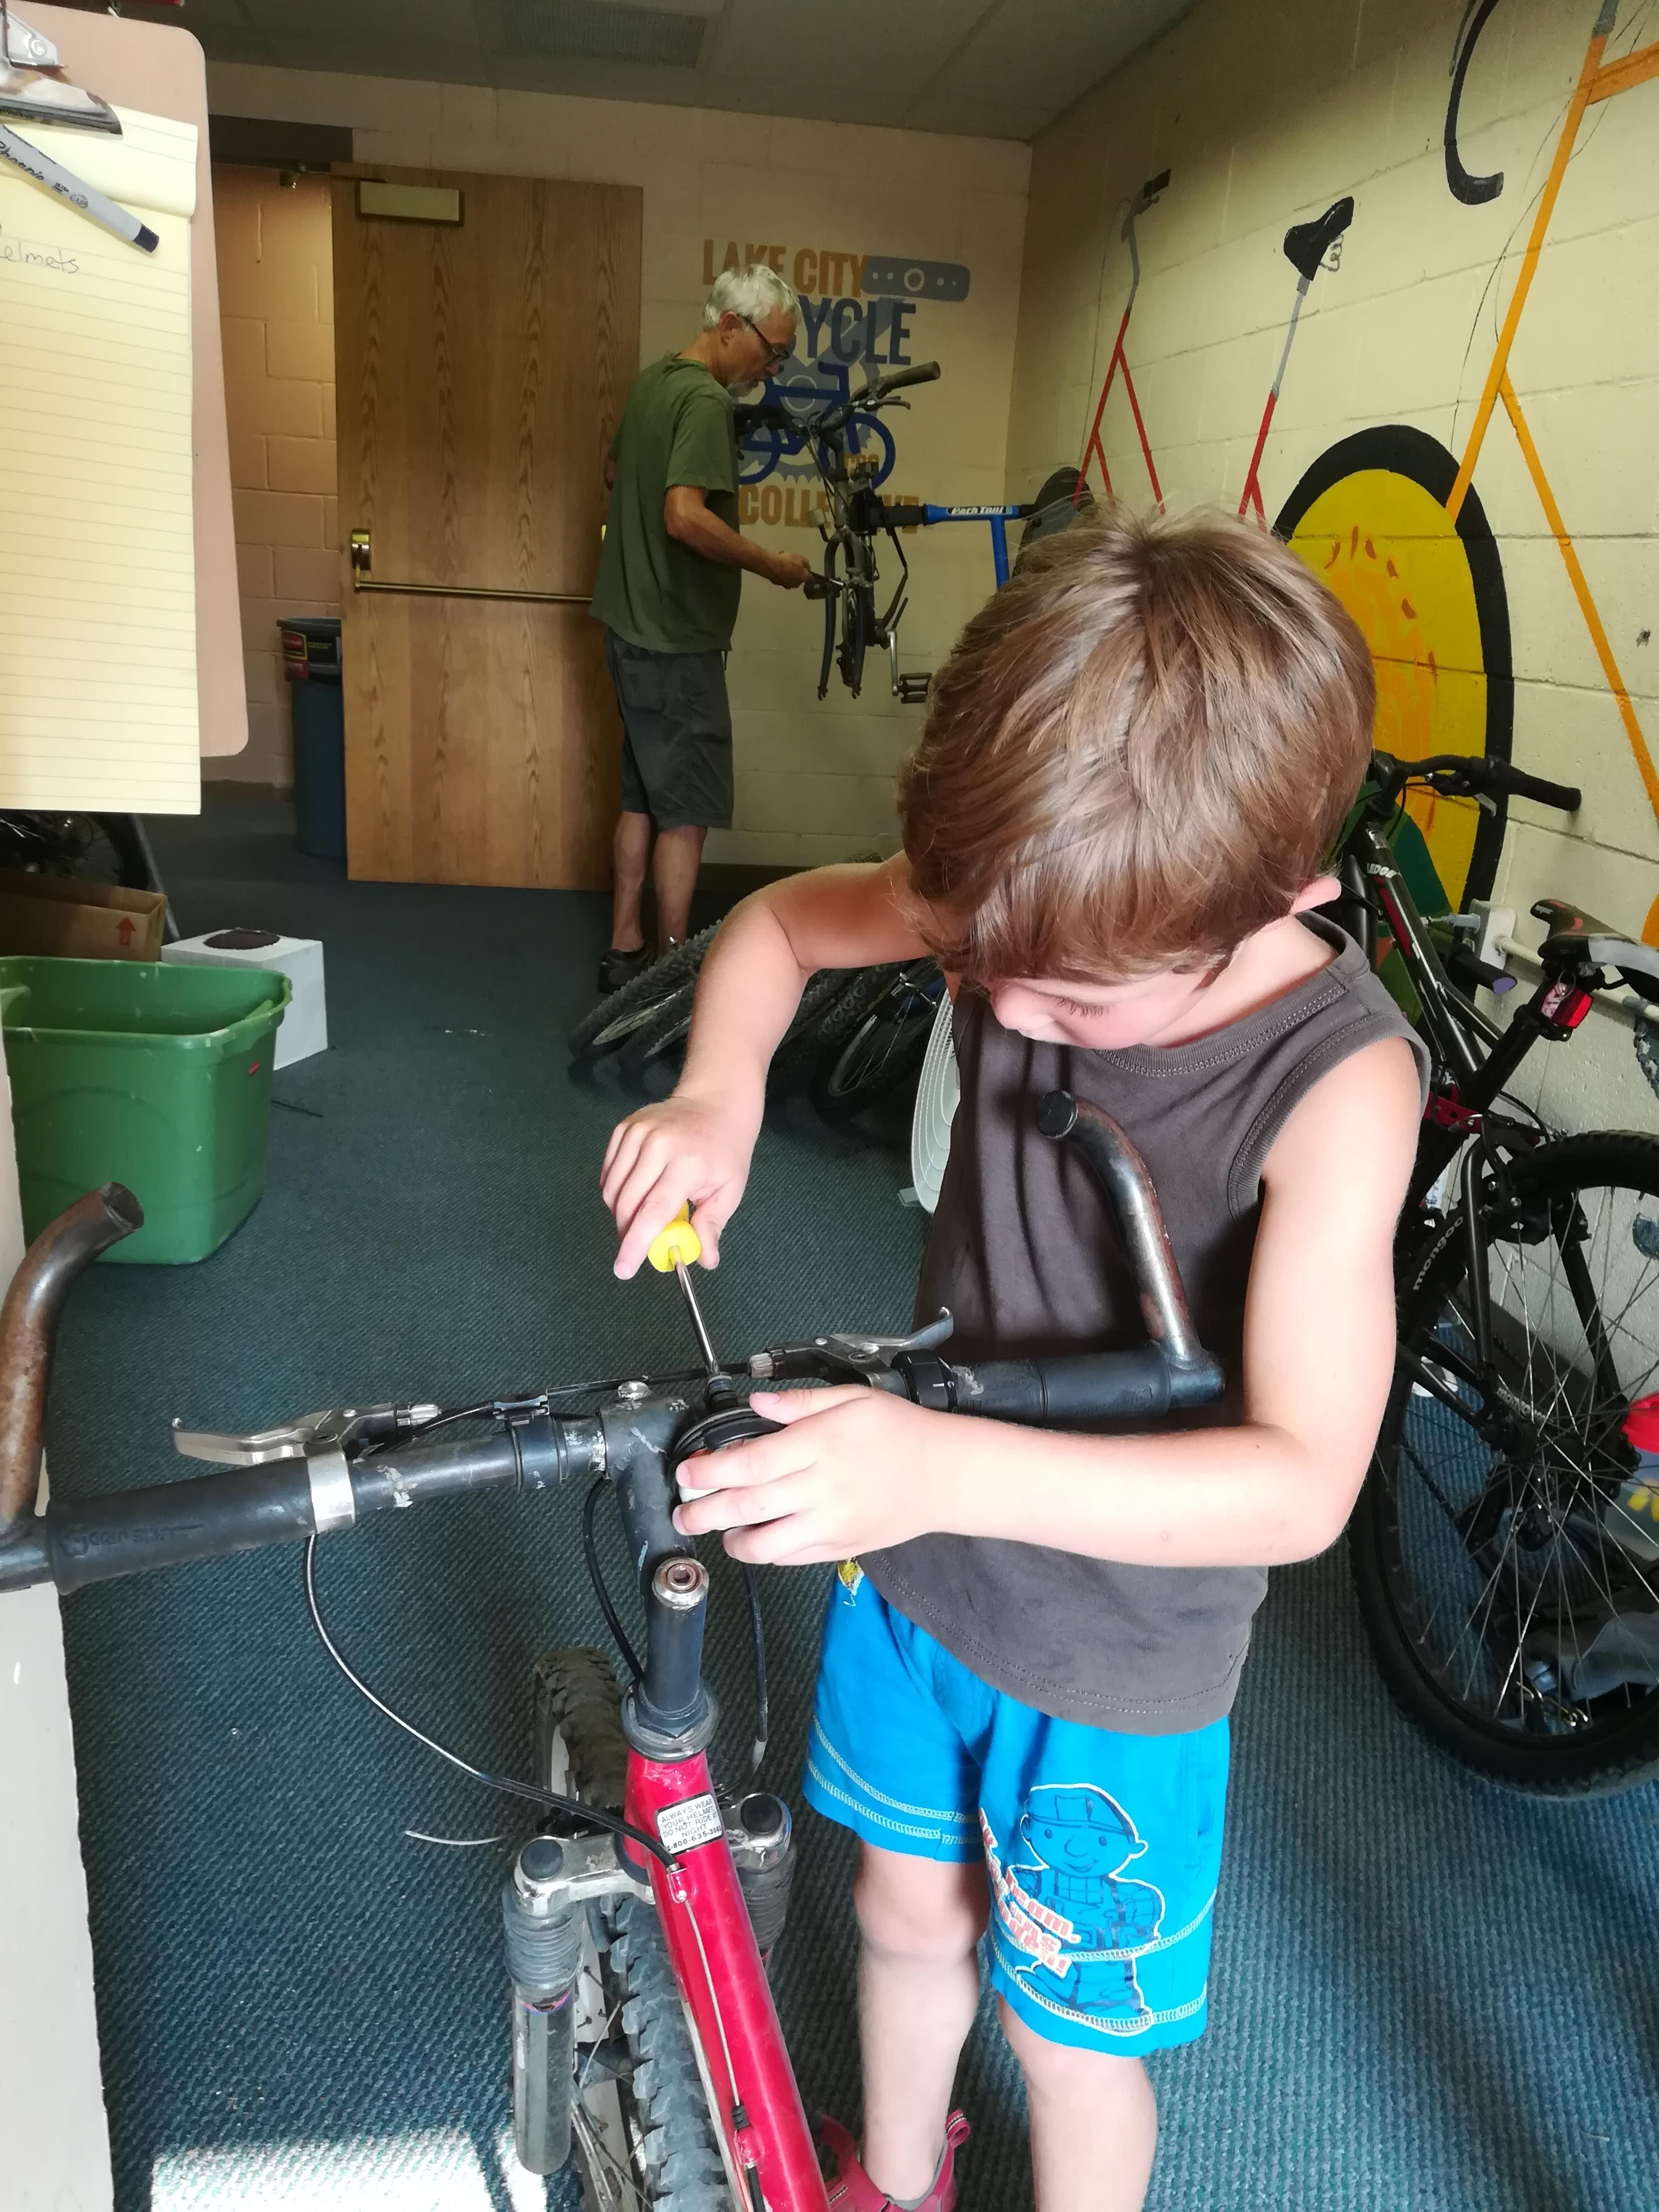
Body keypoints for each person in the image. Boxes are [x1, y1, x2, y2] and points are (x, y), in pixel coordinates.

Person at [598, 508, 1427, 2211]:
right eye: (986, 970)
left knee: (1071, 2041)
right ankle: (894, 2183)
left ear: (1287, 896)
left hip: (1118, 1645)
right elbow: (780, 932)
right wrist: (719, 1092)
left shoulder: (1341, 1085)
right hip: (920, 1564)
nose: (1011, 1015)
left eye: (1076, 1003)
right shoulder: (1043, 891)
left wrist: (928, 1465)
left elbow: (1304, 1485)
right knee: (900, 1914)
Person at [589, 263, 816, 997]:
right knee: (685, 813)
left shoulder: (653, 383)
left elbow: (614, 473)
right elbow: (683, 516)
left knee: (641, 797)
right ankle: (672, 974)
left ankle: (624, 946)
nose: (773, 367)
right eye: (772, 350)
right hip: (676, 643)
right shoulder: (706, 402)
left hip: (629, 630)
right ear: (729, 326)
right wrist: (770, 564)